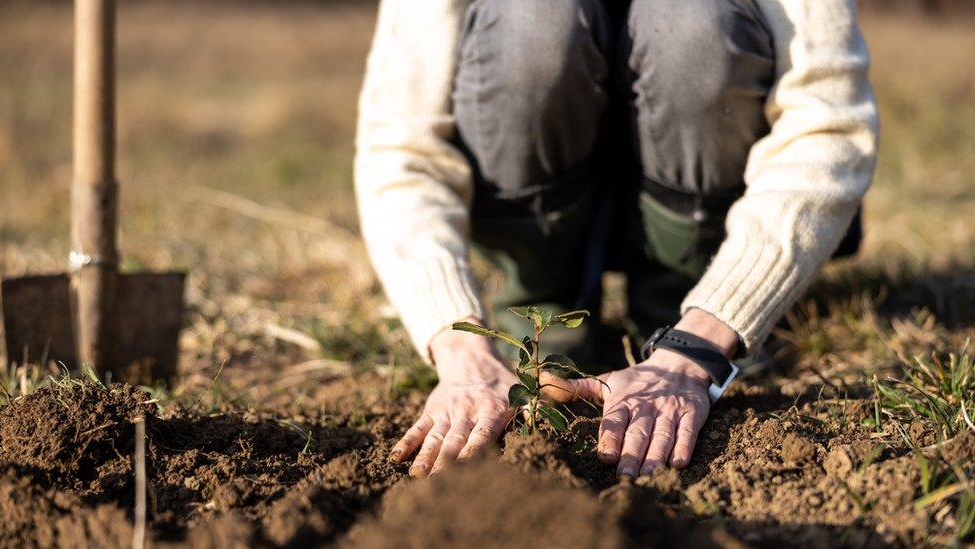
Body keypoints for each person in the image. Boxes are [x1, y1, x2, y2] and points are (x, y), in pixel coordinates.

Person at [354, 0, 878, 479]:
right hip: (533, 174)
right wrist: (460, 347)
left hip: (706, 187)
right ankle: (542, 297)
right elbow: (402, 150)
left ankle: (683, 299)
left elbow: (826, 125)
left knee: (692, 21)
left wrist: (701, 341)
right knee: (531, 17)